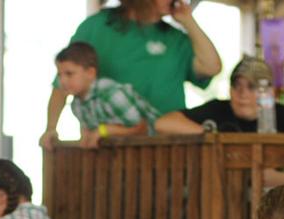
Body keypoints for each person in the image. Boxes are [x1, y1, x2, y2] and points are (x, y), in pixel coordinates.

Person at [41, 0, 220, 149]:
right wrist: (51, 128)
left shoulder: (176, 38)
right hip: (111, 150)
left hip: (168, 146)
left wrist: (188, 21)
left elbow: (212, 68)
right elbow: (62, 84)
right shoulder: (96, 26)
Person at [155, 56, 284, 135]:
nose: (242, 94)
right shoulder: (219, 109)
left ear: (269, 92)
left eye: (252, 87)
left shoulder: (280, 114)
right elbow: (163, 124)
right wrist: (211, 134)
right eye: (236, 86)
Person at [55, 41, 159, 148]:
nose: (62, 81)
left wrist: (105, 130)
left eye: (69, 74)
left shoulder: (110, 94)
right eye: (59, 75)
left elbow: (143, 128)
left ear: (90, 73)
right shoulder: (76, 105)